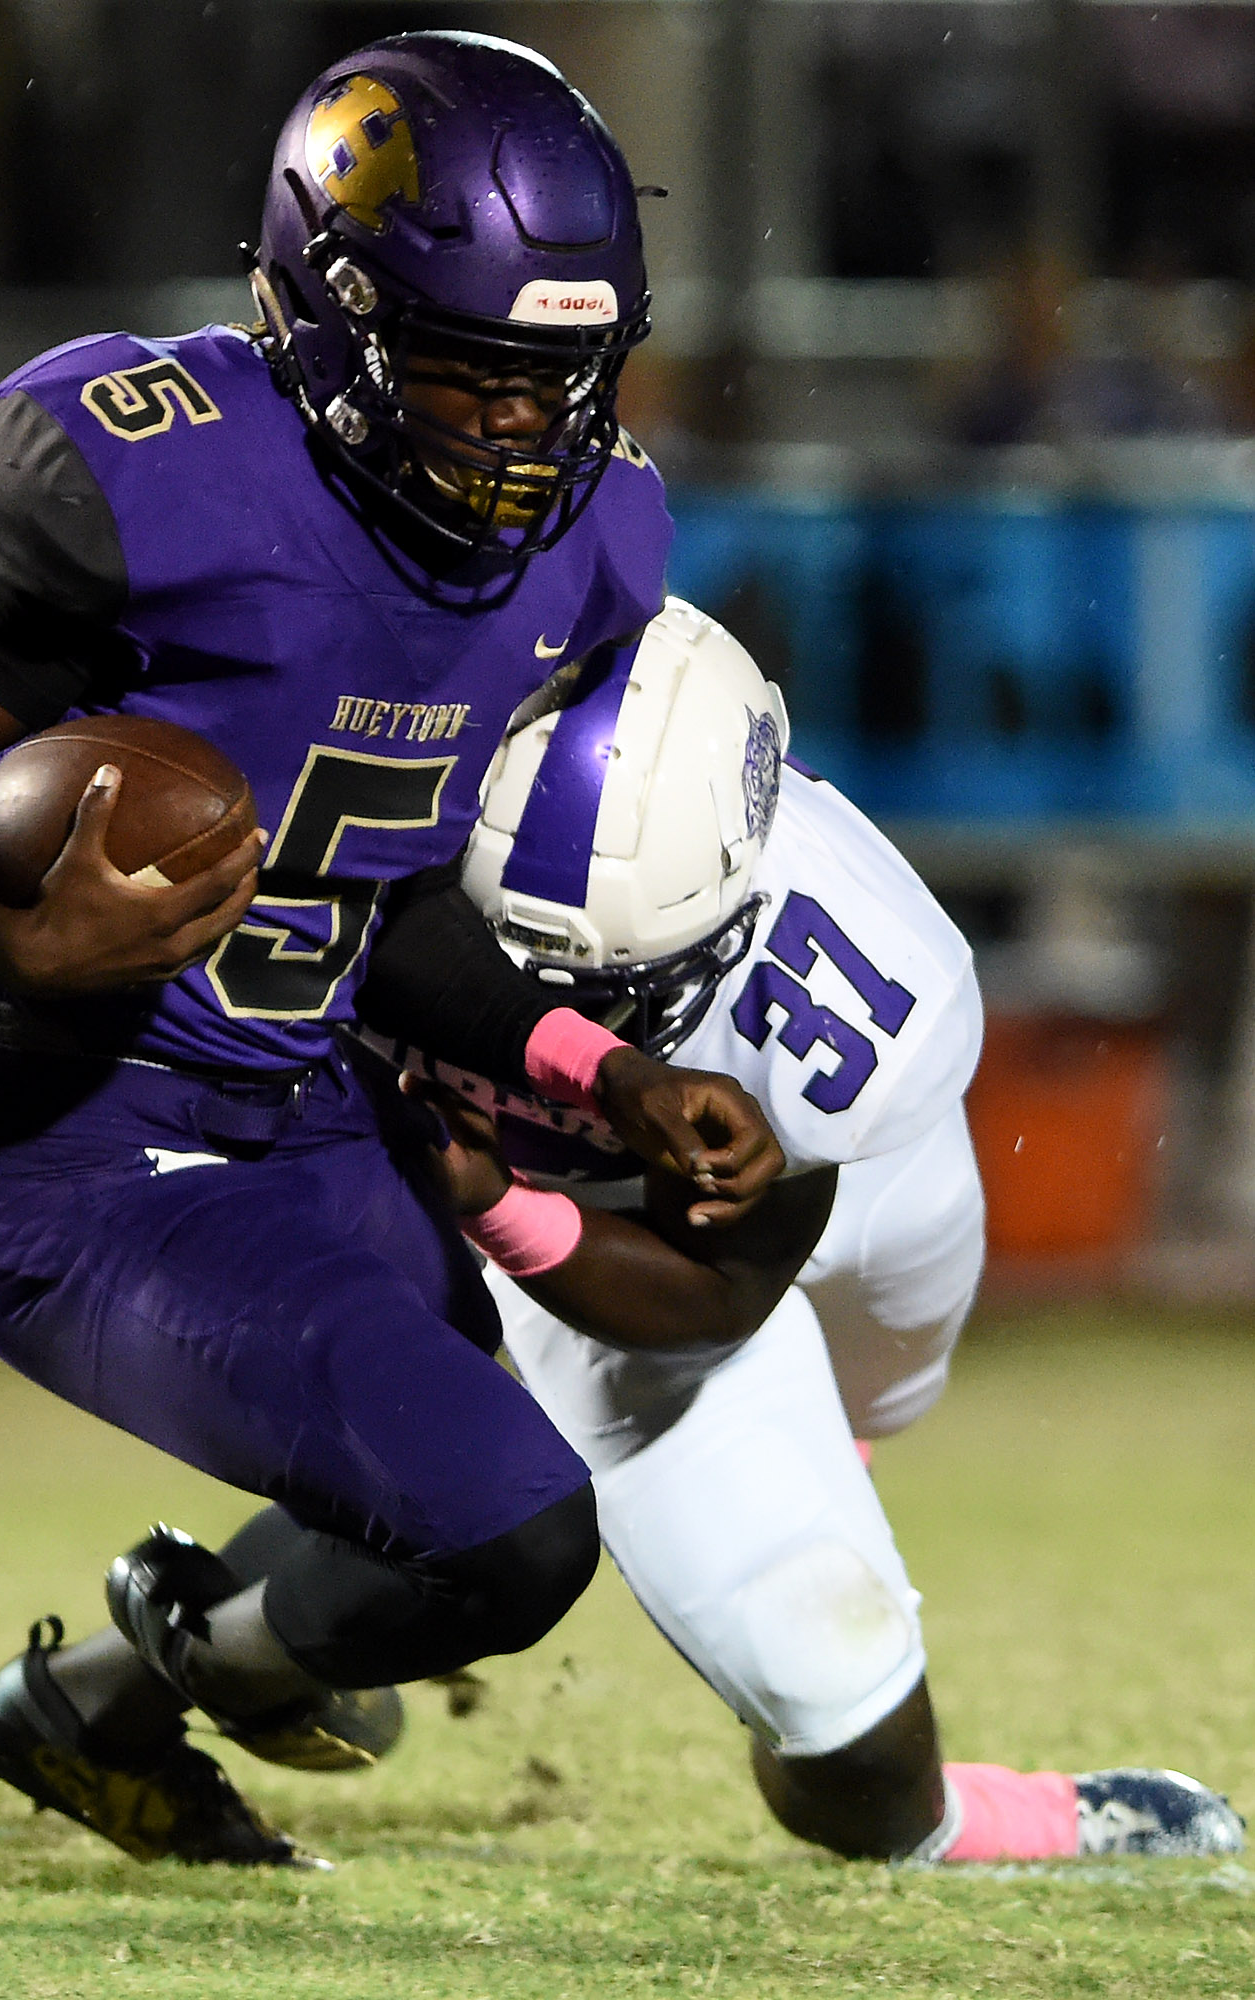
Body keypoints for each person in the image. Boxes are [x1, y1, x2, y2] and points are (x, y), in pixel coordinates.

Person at [0, 36, 794, 1866]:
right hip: (93, 1166)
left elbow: (375, 883)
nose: (520, 432)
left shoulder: (590, 549)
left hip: (317, 1127)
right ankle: (209, 1651)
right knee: (512, 1532)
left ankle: (91, 1705)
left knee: (468, 1484)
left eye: (559, 381)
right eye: (471, 375)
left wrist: (609, 1070)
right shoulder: (157, 481)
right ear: (328, 318)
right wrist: (21, 937)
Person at [411, 597, 1239, 1863]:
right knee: (838, 1720)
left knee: (891, 1385)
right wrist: (496, 1202)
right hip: (563, 1235)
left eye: (614, 985)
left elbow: (721, 1292)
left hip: (826, 1203)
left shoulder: (851, 991)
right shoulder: (383, 795)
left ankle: (808, 1464)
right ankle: (192, 1661)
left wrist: (491, 1194)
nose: (578, 1020)